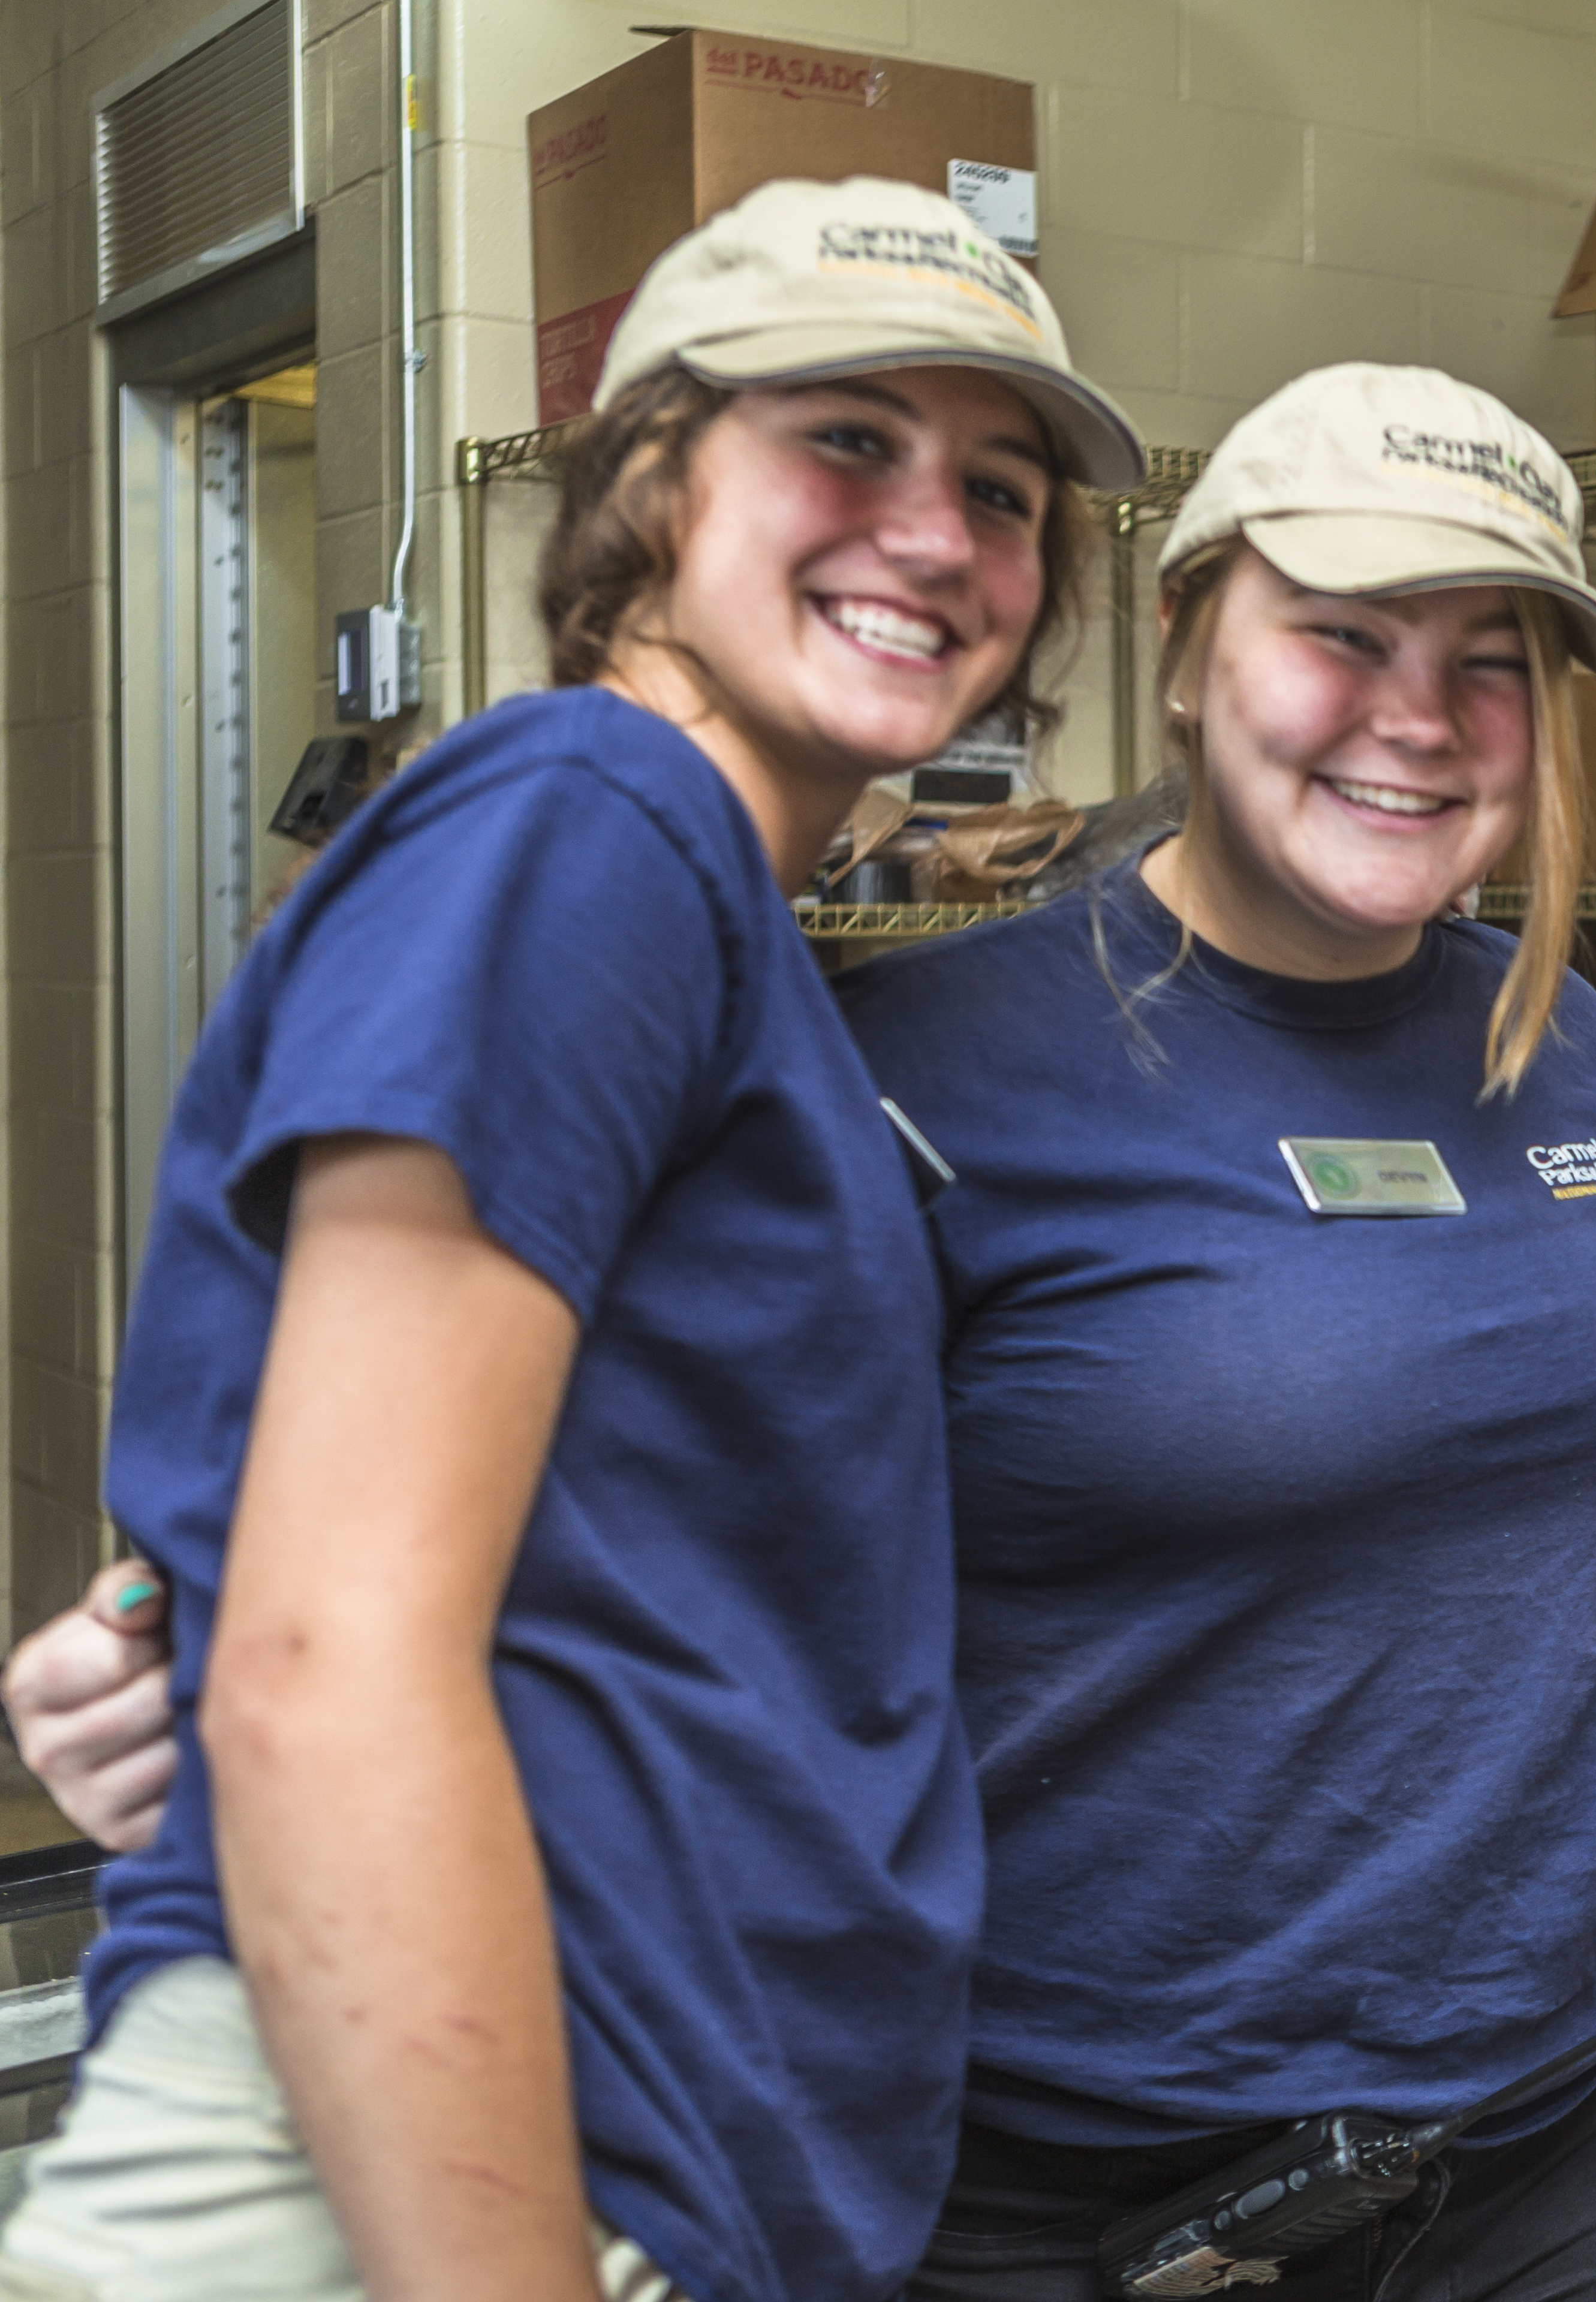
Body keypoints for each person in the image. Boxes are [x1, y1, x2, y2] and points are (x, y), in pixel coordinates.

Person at [0, 177, 1143, 2302]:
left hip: (616, 2142)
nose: (936, 532)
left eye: (999, 490)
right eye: (846, 441)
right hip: (455, 2165)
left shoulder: (707, 905)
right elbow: (335, 1669)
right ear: (643, 478)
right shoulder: (596, 825)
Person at [838, 363, 1596, 2302]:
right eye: (1340, 635)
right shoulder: (933, 1069)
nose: (1418, 719)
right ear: (1183, 639)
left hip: (1564, 2124)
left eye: (1491, 661)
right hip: (1102, 2187)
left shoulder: (1552, 1031)